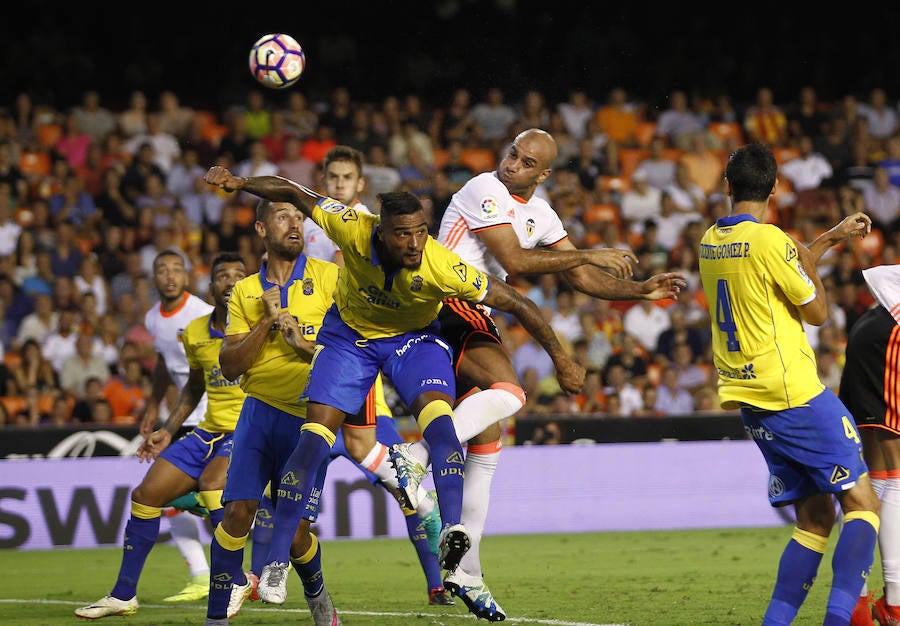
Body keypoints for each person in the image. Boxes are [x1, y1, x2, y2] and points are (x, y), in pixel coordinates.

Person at [201, 166, 585, 622]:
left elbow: (519, 302)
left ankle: (453, 535)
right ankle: (278, 563)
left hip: (412, 341)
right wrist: (239, 183)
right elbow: (290, 189)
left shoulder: (440, 263)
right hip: (350, 340)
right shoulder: (351, 226)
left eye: (421, 232)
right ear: (382, 231)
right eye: (403, 235)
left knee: (441, 423)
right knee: (314, 436)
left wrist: (562, 359)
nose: (415, 244)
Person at [385, 128, 685, 621]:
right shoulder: (484, 188)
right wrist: (589, 251)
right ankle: (413, 456)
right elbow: (515, 260)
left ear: (543, 174)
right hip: (445, 302)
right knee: (509, 390)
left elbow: (580, 278)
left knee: (487, 443)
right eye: (512, 153)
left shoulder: (541, 213)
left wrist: (640, 291)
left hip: (474, 309)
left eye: (526, 162)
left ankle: (469, 574)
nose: (512, 165)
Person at [697, 142, 880, 624]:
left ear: (727, 186)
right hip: (795, 395)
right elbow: (816, 311)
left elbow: (777, 266)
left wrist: (828, 239)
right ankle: (840, 620)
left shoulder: (710, 241)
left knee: (816, 518)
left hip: (750, 402)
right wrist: (815, 260)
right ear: (776, 187)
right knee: (863, 505)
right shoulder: (772, 241)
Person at [302, 145, 452, 604]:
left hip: (363, 376)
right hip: (318, 372)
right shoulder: (309, 228)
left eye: (348, 178)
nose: (341, 185)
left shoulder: (375, 230)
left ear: (360, 184)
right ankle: (262, 578)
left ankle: (438, 580)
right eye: (333, 177)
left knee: (406, 488)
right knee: (290, 490)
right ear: (325, 180)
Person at [74, 253, 249, 619]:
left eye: (239, 275)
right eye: (222, 276)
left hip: (248, 431)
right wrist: (166, 429)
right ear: (211, 284)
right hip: (206, 431)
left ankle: (235, 578)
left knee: (212, 486)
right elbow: (193, 386)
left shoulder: (259, 325)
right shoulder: (197, 330)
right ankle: (123, 595)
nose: (231, 282)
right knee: (145, 495)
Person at [139, 248, 216, 602]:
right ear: (154, 278)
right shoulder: (153, 318)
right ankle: (201, 576)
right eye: (162, 270)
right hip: (180, 416)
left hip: (212, 414)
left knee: (180, 494)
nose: (169, 276)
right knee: (165, 498)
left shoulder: (202, 312)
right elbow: (164, 362)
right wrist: (152, 404)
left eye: (176, 269)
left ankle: (231, 572)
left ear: (186, 276)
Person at [839, 264, 900, 625]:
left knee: (874, 470)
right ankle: (894, 603)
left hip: (875, 324)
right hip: (891, 333)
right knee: (895, 470)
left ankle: (857, 603)